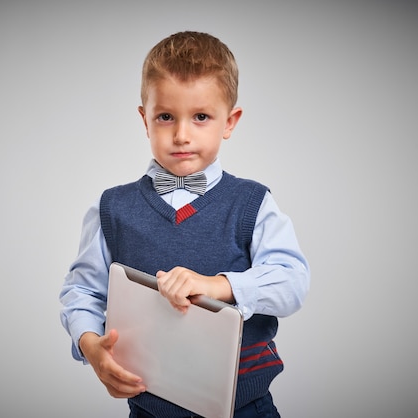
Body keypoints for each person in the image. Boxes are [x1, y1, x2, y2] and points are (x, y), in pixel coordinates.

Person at [60, 31, 310, 417]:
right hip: (150, 408)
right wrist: (91, 346)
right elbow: (82, 292)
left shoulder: (253, 203)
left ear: (230, 121)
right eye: (165, 117)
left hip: (246, 408)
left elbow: (292, 281)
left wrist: (218, 285)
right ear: (144, 119)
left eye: (201, 117)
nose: (181, 135)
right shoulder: (111, 208)